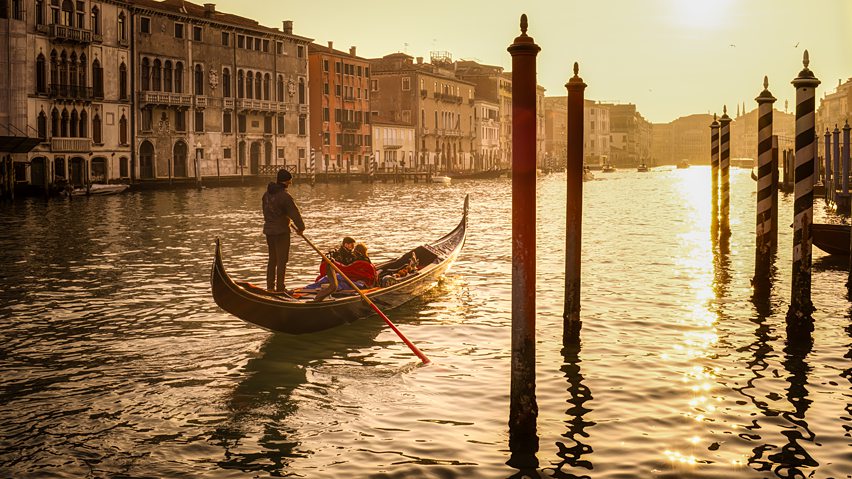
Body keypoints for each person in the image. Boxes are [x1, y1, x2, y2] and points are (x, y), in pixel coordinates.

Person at [262, 169, 304, 292]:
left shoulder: (266, 195)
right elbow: (295, 214)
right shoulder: (285, 196)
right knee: (282, 260)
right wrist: (301, 228)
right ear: (286, 181)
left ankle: (270, 287)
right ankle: (280, 287)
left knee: (272, 259)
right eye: (290, 181)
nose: (290, 183)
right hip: (281, 232)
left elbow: (267, 212)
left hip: (269, 231)